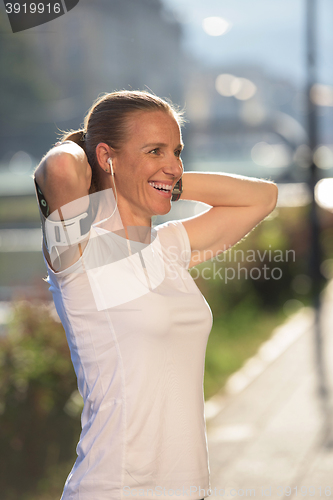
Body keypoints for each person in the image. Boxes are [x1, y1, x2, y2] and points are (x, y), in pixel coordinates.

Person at [34, 90, 278, 500]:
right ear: (107, 157)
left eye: (177, 151)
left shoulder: (168, 247)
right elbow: (60, 168)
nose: (174, 164)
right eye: (155, 150)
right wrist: (100, 164)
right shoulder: (77, 254)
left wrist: (162, 180)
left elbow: (264, 197)